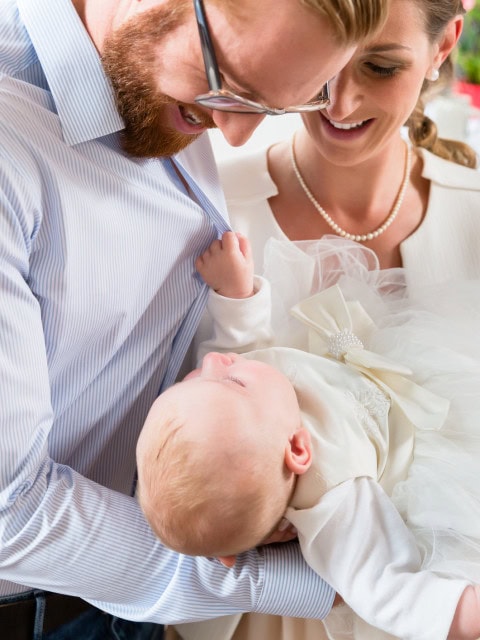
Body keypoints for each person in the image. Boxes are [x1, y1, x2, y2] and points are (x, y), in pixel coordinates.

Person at [0, 0, 393, 637]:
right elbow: (9, 513)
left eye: (271, 106)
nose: (233, 134)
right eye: (230, 83)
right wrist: (344, 574)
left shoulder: (152, 81)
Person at [174, 0, 480, 637]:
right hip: (246, 619)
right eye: (325, 65)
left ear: (443, 46)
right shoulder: (206, 200)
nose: (339, 102)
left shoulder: (471, 215)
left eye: (380, 66)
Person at [137, 231, 480, 640]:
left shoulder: (250, 417)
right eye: (231, 381)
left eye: (193, 379)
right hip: (431, 442)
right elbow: (382, 587)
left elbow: (242, 345)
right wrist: (461, 615)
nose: (213, 360)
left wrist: (235, 293)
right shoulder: (334, 500)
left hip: (392, 373)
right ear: (300, 449)